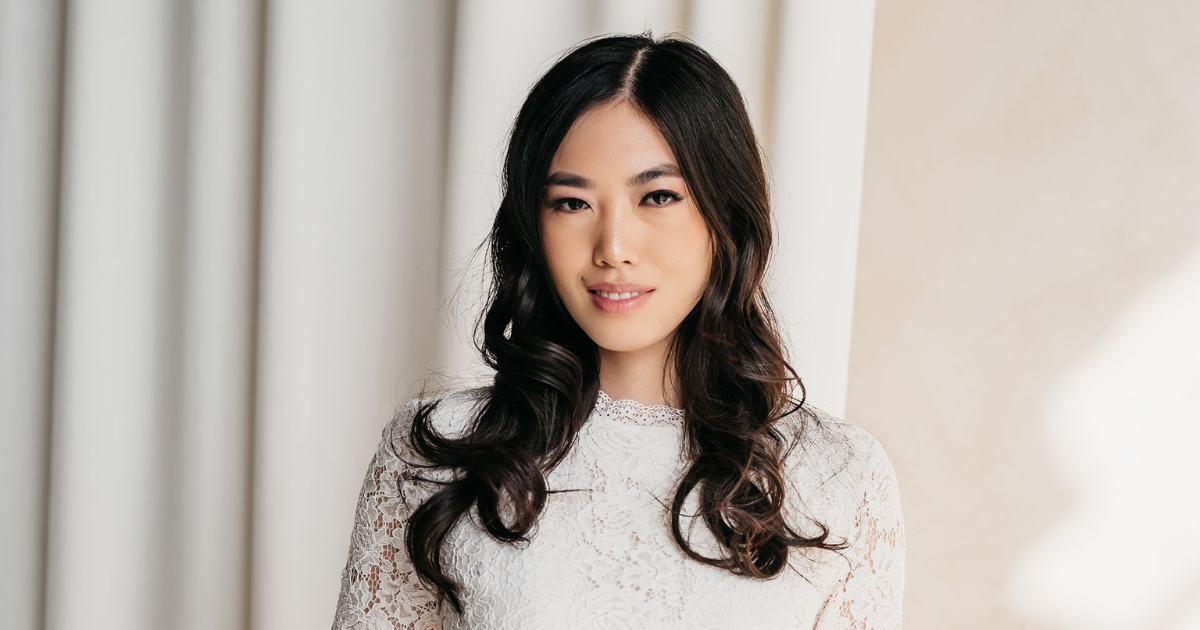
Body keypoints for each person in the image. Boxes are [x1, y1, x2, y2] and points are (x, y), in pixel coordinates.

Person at [332, 32, 905, 629]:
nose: (612, 248)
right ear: (534, 224)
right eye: (572, 203)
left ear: (724, 216)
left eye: (657, 196)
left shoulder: (840, 474)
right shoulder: (439, 453)